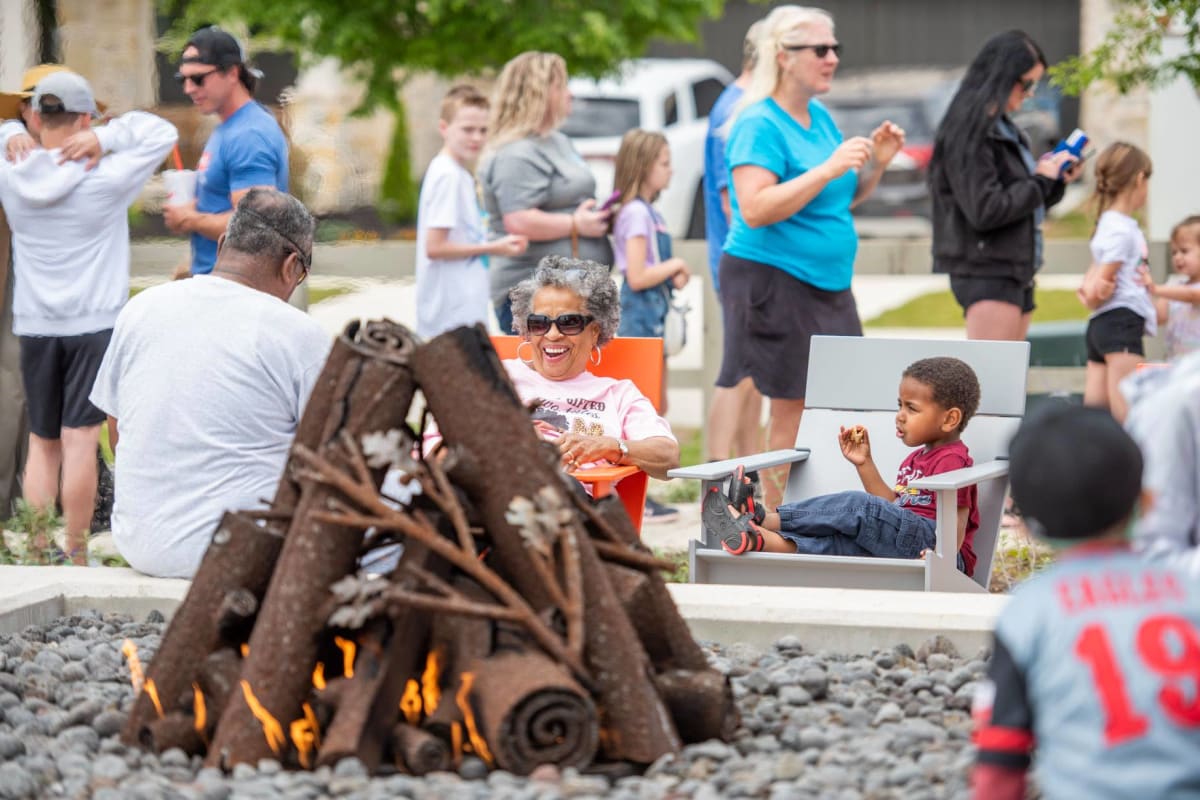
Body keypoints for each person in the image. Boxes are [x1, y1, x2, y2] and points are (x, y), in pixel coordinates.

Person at [717, 5, 905, 508]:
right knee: (793, 405)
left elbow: (836, 200)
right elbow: (753, 209)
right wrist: (827, 168)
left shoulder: (818, 117)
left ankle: (819, 508)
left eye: (835, 48)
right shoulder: (757, 122)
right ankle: (777, 522)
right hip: (774, 276)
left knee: (843, 398)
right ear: (783, 57)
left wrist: (877, 166)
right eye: (820, 49)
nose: (832, 58)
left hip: (828, 283)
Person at [90, 189, 330, 578]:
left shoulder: (142, 308)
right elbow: (332, 460)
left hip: (141, 543)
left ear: (221, 246)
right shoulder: (297, 334)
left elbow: (117, 433)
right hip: (242, 552)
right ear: (291, 267)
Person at [971, 404, 1200, 800]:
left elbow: (1000, 758)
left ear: (1024, 525)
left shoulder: (1026, 613)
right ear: (1145, 503)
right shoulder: (1190, 592)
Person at [0, 72, 177, 564]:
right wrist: (108, 136)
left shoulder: (12, 171)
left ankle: (36, 549)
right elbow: (161, 133)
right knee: (81, 441)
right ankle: (75, 552)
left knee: (43, 441)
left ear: (35, 117)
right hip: (94, 324)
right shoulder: (107, 177)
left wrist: (10, 133)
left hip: (35, 324)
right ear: (84, 119)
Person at [701, 357, 980, 577]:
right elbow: (892, 506)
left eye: (912, 408)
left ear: (949, 419)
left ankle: (762, 518)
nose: (900, 416)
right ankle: (754, 538)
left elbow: (956, 521)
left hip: (938, 549)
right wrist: (864, 463)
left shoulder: (953, 459)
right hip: (905, 540)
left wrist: (941, 561)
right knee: (839, 544)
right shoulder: (913, 460)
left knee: (859, 505)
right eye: (899, 406)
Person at [931, 30, 1080, 342]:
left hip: (1014, 269)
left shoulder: (1004, 127)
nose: (1029, 94)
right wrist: (1040, 180)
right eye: (1026, 83)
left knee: (1008, 381)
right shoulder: (971, 130)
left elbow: (1020, 201)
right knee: (992, 381)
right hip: (987, 271)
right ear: (1003, 76)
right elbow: (985, 209)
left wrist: (1053, 182)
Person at [505, 255, 679, 482]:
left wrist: (608, 446)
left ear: (595, 331)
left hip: (571, 501)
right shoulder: (498, 376)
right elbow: (445, 441)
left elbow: (668, 457)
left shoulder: (618, 394)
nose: (552, 334)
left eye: (569, 323)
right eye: (539, 323)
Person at [479, 52, 612, 334]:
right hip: (532, 297)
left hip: (570, 294)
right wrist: (577, 225)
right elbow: (518, 220)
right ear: (538, 93)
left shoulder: (558, 141)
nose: (569, 93)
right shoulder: (515, 153)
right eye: (561, 86)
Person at [163, 26, 288, 278]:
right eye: (183, 80)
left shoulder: (249, 134)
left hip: (238, 290)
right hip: (219, 284)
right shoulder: (232, 126)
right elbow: (221, 203)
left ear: (232, 72)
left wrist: (188, 219)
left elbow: (255, 227)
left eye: (198, 78)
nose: (188, 88)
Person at [416, 85, 528, 339]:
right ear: (444, 128)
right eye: (467, 129)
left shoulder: (457, 174)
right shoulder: (448, 176)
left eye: (483, 130)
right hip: (450, 317)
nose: (476, 137)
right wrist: (495, 247)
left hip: (461, 313)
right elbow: (435, 247)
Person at [703, 19, 765, 462]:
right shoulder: (738, 107)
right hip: (741, 258)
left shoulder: (743, 102)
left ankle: (749, 471)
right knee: (737, 374)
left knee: (755, 376)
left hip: (749, 260)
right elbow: (734, 202)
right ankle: (717, 472)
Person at [1074, 143, 1155, 422]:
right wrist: (1095, 294)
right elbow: (1102, 282)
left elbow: (1092, 279)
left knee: (1095, 415)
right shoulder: (1122, 229)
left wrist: (1090, 295)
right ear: (1139, 179)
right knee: (1128, 412)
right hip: (1122, 322)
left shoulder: (1106, 223)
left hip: (1100, 326)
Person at [1143, 215, 1200, 361]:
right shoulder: (1173, 284)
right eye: (1174, 252)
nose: (1177, 257)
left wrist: (1155, 289)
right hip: (1177, 365)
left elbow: (1191, 295)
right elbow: (1159, 317)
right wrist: (1143, 292)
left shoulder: (1173, 290)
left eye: (1184, 251)